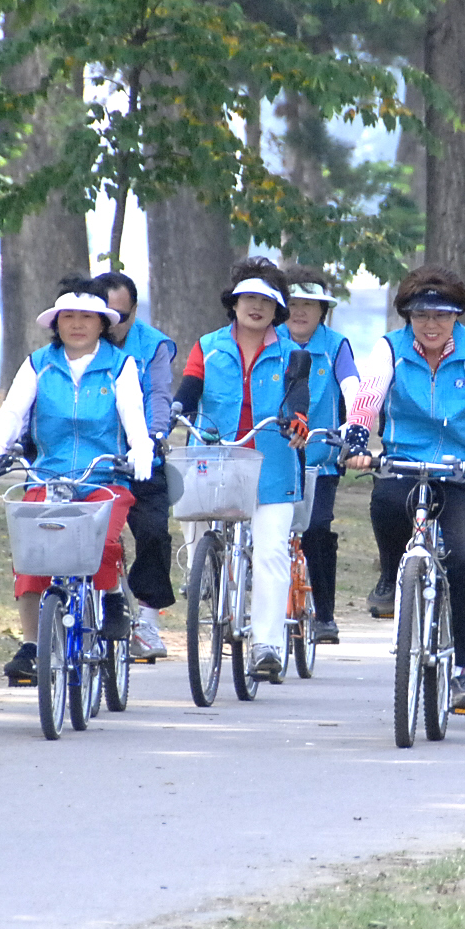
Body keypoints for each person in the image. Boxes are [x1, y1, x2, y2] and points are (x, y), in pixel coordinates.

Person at [345, 265, 465, 716]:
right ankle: (390, 575)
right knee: (385, 502)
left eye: (442, 314)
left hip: (464, 470)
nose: (431, 324)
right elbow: (369, 396)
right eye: (421, 315)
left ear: (457, 316)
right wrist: (358, 442)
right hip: (407, 460)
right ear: (407, 316)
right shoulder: (389, 349)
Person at [0, 288, 155, 685]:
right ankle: (31, 646)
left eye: (88, 317)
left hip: (103, 477)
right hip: (48, 477)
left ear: (104, 324)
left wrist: (141, 450)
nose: (77, 324)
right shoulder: (38, 364)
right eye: (68, 316)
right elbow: (12, 412)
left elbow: (133, 412)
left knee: (104, 542)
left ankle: (111, 600)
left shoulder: (120, 366)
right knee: (31, 555)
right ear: (55, 323)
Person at [171, 257, 315, 685]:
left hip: (271, 466)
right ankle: (208, 579)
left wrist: (297, 419)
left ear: (278, 310)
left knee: (272, 552)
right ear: (233, 303)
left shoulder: (293, 352)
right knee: (194, 527)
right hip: (214, 459)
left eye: (265, 301)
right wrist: (175, 414)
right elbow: (190, 389)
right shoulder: (208, 345)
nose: (255, 306)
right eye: (247, 297)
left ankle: (268, 644)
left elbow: (297, 396)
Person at [76, 270, 177, 661]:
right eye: (107, 315)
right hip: (91, 459)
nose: (115, 325)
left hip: (140, 455)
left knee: (153, 531)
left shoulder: (153, 346)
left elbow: (159, 395)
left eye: (124, 315)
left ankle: (148, 621)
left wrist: (151, 439)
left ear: (134, 311)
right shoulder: (78, 342)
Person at [280, 265, 361, 644]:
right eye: (293, 303)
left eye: (309, 305)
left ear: (322, 311)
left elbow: (352, 387)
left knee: (316, 529)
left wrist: (354, 424)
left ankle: (324, 614)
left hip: (321, 455)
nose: (300, 311)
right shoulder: (272, 339)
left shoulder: (335, 344)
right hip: (276, 454)